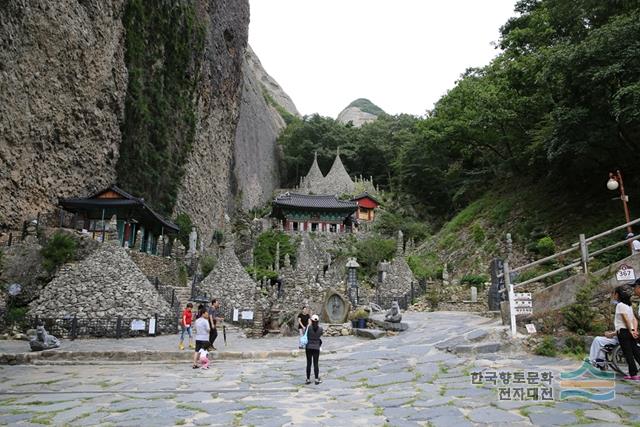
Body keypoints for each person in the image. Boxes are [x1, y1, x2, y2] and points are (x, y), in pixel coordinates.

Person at [613, 286, 640, 380]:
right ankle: (633, 373)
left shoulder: (620, 305)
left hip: (624, 332)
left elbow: (626, 320)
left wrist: (631, 330)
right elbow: (633, 319)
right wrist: (634, 330)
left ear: (617, 294)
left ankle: (633, 374)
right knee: (636, 352)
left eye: (614, 294)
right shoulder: (628, 306)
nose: (614, 296)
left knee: (628, 353)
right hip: (629, 331)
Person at [304, 314, 323, 385]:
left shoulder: (308, 328)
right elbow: (320, 335)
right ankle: (316, 379)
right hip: (316, 347)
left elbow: (305, 334)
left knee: (308, 363)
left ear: (311, 321)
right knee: (316, 364)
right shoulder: (321, 329)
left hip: (308, 347)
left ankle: (308, 379)